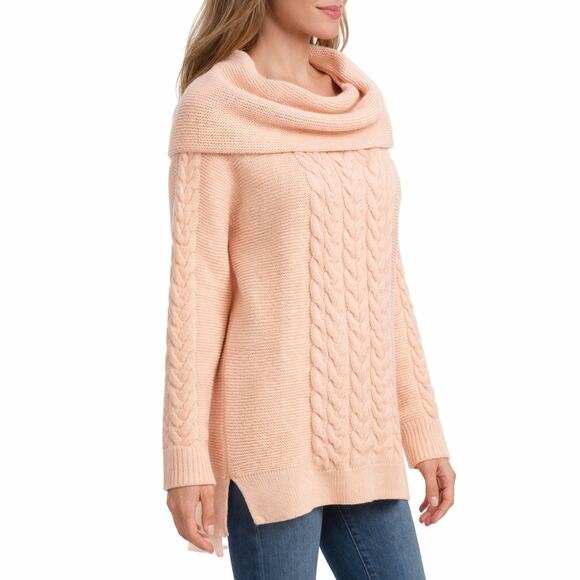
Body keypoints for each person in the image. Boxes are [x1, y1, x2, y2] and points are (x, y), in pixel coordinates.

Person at [162, 1, 456, 577]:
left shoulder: (359, 105)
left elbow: (384, 281)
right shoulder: (214, 108)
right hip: (268, 444)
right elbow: (197, 298)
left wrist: (423, 430)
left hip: (364, 437)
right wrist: (184, 455)